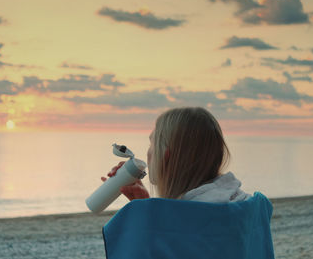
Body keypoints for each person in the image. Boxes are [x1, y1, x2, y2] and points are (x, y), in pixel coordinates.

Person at [101, 107, 275, 259]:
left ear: (165, 156)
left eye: (152, 144)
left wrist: (143, 221)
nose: (148, 153)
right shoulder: (247, 208)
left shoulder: (176, 230)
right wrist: (147, 209)